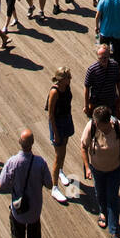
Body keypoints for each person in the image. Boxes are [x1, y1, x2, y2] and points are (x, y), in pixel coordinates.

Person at [0, 130, 53, 238]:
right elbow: (49, 184)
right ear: (33, 143)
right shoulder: (40, 163)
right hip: (34, 210)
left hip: (18, 211)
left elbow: (2, 183)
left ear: (19, 143)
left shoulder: (13, 162)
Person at [81, 105, 120, 238]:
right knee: (100, 193)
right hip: (97, 169)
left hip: (114, 169)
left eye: (97, 122)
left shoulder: (117, 127)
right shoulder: (91, 127)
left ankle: (114, 234)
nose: (94, 123)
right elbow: (83, 147)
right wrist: (87, 167)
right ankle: (102, 211)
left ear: (106, 122)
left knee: (113, 199)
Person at [47, 67, 75, 203]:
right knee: (58, 155)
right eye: (68, 77)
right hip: (57, 123)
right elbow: (50, 115)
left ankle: (61, 171)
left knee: (64, 149)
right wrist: (55, 133)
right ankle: (54, 187)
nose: (70, 79)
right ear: (61, 79)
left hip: (66, 119)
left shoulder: (67, 87)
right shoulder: (55, 92)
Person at [84, 43, 120, 119]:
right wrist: (86, 105)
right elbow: (87, 88)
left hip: (111, 102)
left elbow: (119, 82)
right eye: (101, 58)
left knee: (116, 125)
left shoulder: (114, 66)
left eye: (105, 57)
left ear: (109, 56)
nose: (103, 60)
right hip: (97, 104)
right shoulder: (92, 70)